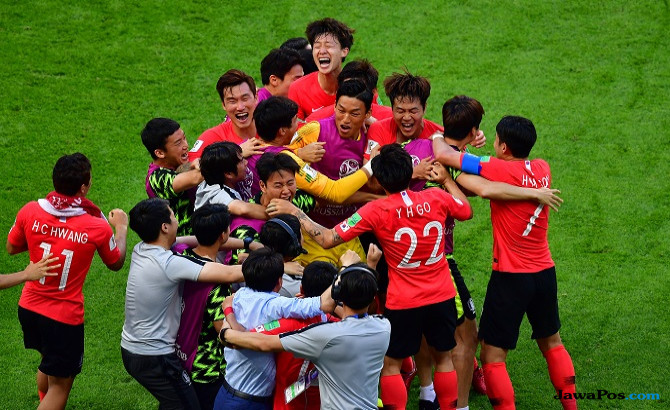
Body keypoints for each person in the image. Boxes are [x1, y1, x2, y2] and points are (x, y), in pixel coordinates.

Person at [267, 144, 473, 410]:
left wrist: (296, 212)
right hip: (442, 293)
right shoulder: (436, 197)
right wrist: (446, 180)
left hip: (404, 300)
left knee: (391, 364)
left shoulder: (376, 210)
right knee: (444, 358)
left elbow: (329, 238)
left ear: (377, 179)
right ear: (410, 171)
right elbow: (466, 211)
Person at [432, 115, 575, 410]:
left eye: (496, 139)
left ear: (505, 147)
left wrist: (437, 140)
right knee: (553, 343)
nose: (493, 143)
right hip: (545, 274)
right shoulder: (542, 168)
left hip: (511, 277)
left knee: (493, 357)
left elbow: (445, 155)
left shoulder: (497, 167)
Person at [6, 153, 129, 409]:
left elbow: (12, 247)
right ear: (83, 188)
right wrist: (121, 228)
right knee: (61, 386)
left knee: (49, 362)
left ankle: (43, 399)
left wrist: (45, 236)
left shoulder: (30, 210)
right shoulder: (96, 225)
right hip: (62, 317)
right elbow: (115, 262)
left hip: (29, 307)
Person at [120, 198, 244, 410]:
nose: (177, 219)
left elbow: (188, 240)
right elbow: (230, 273)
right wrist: (277, 264)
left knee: (174, 403)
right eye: (173, 215)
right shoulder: (171, 263)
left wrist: (246, 244)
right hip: (155, 357)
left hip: (134, 350)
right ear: (165, 227)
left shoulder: (142, 248)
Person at [220, 262, 390, 410]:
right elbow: (347, 316)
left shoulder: (310, 331)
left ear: (301, 289)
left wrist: (226, 324)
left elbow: (250, 339)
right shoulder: (383, 327)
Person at [213, 248, 337, 410]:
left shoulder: (238, 296)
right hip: (251, 402)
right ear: (280, 282)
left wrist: (228, 313)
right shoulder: (278, 306)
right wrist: (348, 269)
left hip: (227, 392)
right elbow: (324, 304)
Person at [289, 79, 378, 267]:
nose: (345, 119)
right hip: (312, 233)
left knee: (359, 289)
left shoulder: (372, 140)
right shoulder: (315, 131)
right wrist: (298, 152)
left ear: (367, 114)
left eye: (354, 114)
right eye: (341, 110)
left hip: (348, 232)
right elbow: (280, 156)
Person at [174, 204, 235, 410]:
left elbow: (181, 241)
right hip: (205, 369)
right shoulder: (218, 285)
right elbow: (223, 332)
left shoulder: (180, 257)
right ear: (223, 234)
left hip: (178, 355)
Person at [142, 117, 203, 235]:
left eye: (184, 138)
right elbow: (196, 177)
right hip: (184, 249)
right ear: (159, 153)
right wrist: (235, 153)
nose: (185, 145)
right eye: (178, 143)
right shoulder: (157, 179)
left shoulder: (179, 163)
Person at [188, 69, 264, 162]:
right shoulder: (212, 138)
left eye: (245, 99)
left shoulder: (274, 128)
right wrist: (235, 155)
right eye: (232, 101)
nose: (240, 107)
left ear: (256, 98)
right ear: (224, 105)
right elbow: (187, 171)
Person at [288, 18, 355, 120]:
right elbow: (296, 132)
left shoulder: (361, 85)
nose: (322, 51)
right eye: (317, 46)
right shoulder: (297, 89)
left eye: (328, 46)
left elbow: (378, 121)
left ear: (344, 51)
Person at [304, 59, 393, 123]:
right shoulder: (316, 122)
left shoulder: (392, 119)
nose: (352, 96)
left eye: (359, 91)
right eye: (347, 89)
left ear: (374, 93)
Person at [195, 141, 267, 219]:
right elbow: (243, 209)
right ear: (228, 174)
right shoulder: (218, 194)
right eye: (241, 160)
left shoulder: (212, 175)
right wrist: (278, 214)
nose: (246, 162)